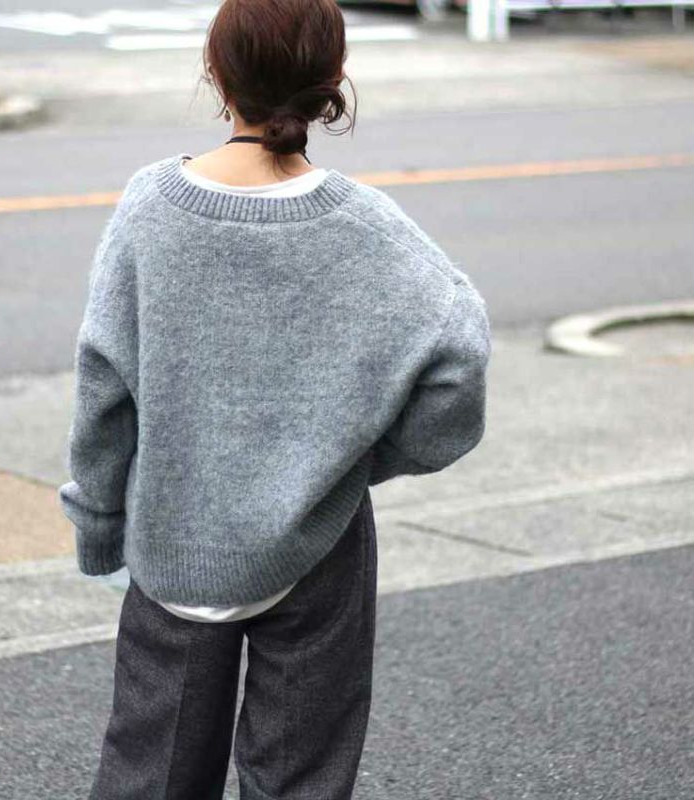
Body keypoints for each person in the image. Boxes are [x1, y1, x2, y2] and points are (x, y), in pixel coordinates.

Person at [58, 0, 491, 796]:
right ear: (332, 80)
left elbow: (104, 389)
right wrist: (355, 459)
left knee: (152, 772)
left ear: (216, 73)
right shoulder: (368, 227)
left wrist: (99, 526)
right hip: (317, 542)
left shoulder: (151, 208)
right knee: (299, 777)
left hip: (175, 537)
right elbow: (458, 363)